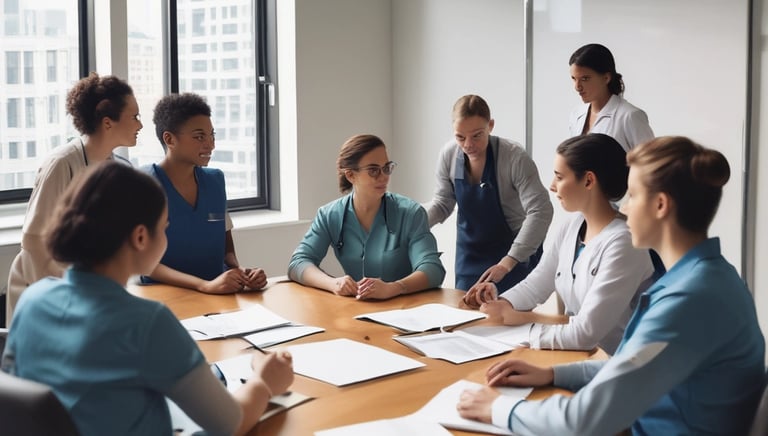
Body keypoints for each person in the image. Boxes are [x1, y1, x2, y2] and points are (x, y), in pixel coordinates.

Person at [457, 136, 766, 435]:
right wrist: (553, 374)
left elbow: (583, 421)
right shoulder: (707, 278)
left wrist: (500, 409)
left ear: (660, 205)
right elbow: (630, 365)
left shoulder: (689, 300)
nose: (626, 207)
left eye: (633, 195)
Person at [1, 161, 294, 435]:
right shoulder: (147, 322)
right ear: (141, 237)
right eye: (165, 227)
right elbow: (231, 423)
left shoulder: (33, 300)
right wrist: (264, 382)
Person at [464, 133, 654, 355]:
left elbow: (585, 333)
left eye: (560, 177)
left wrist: (519, 318)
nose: (552, 186)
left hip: (614, 364)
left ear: (589, 180)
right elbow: (538, 282)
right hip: (578, 356)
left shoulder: (623, 243)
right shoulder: (572, 225)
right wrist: (502, 301)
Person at [6, 73, 141, 324]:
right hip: (43, 286)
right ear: (107, 122)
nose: (140, 125)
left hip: (85, 288)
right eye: (134, 117)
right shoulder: (61, 164)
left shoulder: (115, 167)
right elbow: (34, 239)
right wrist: (68, 292)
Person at [288, 134, 445, 300]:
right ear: (350, 175)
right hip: (357, 310)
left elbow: (433, 269)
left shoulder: (411, 213)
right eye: (373, 170)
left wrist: (394, 288)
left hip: (406, 309)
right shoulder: (329, 215)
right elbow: (298, 262)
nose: (384, 177)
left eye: (386, 168)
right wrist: (333, 284)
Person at [141, 93, 267, 294]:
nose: (210, 144)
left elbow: (226, 253)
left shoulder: (216, 180)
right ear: (169, 139)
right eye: (199, 136)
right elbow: (145, 263)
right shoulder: (143, 184)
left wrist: (241, 272)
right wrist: (204, 286)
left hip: (217, 297)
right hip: (165, 297)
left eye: (212, 135)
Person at [427, 95, 553, 292]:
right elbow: (443, 203)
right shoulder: (449, 155)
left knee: (508, 315)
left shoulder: (514, 157)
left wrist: (508, 262)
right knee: (467, 314)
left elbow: (541, 210)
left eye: (477, 135)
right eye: (460, 137)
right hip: (469, 255)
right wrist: (411, 227)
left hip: (514, 252)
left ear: (491, 126)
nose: (468, 144)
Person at [569, 43, 654, 152]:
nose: (577, 87)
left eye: (585, 79)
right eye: (574, 78)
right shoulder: (576, 115)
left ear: (606, 78)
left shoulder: (630, 116)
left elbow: (652, 164)